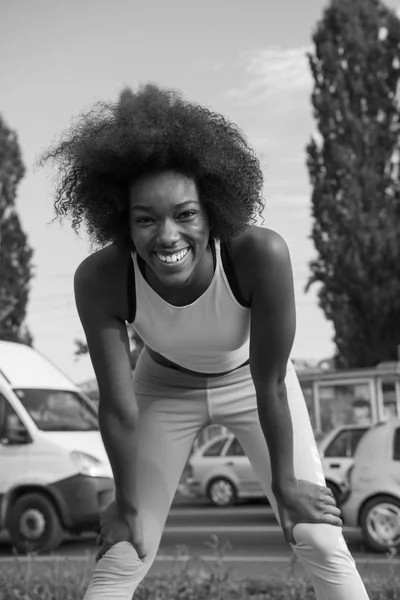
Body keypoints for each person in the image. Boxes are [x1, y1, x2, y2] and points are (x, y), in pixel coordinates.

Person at [39, 84, 369, 599]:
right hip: (164, 388)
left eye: (186, 214)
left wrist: (285, 489)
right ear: (121, 222)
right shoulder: (100, 279)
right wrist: (127, 503)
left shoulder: (261, 255)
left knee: (320, 540)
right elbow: (119, 407)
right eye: (145, 219)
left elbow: (272, 383)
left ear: (214, 209)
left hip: (255, 384)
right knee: (126, 551)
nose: (167, 236)